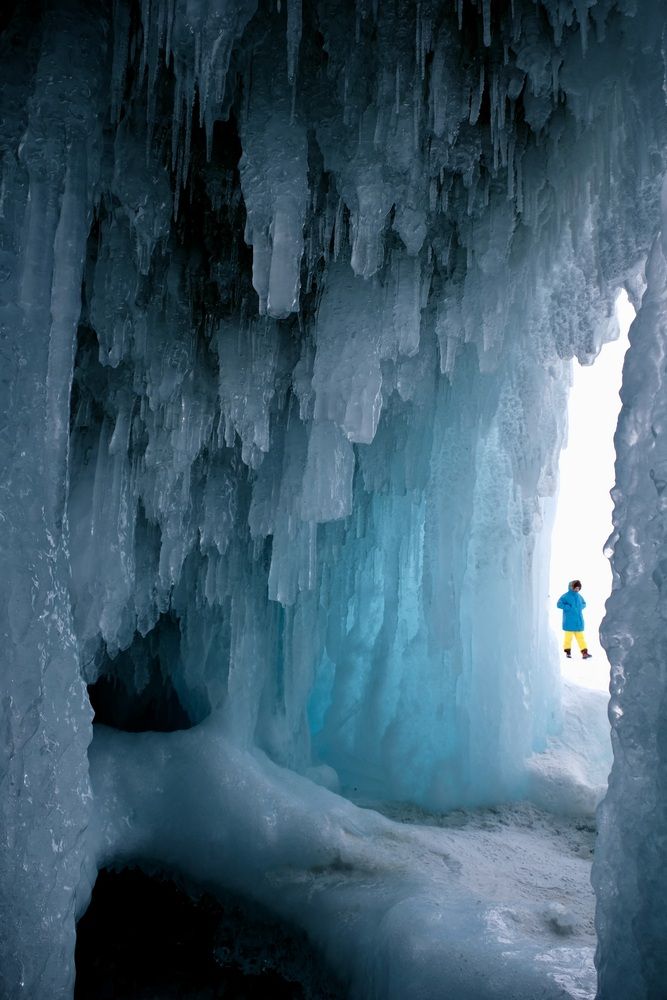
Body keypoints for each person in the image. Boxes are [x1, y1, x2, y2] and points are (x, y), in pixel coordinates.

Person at [556, 580, 592, 659]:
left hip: (578, 622)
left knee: (581, 638)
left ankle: (584, 653)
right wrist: (567, 607)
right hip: (569, 621)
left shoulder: (579, 596)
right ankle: (567, 652)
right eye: (576, 587)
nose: (577, 589)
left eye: (578, 588)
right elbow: (559, 604)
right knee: (568, 638)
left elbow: (584, 603)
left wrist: (580, 607)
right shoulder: (565, 596)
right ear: (572, 587)